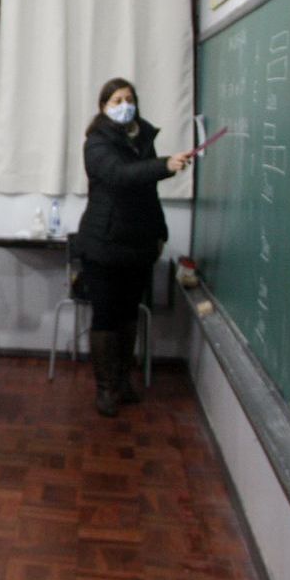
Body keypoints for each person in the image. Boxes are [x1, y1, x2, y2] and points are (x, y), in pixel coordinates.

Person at [77, 78, 191, 417]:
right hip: (104, 244)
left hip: (138, 244)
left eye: (129, 99)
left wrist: (160, 232)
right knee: (106, 316)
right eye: (117, 100)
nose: (124, 105)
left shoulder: (142, 139)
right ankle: (105, 389)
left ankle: (123, 381)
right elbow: (120, 175)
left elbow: (147, 192)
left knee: (129, 314)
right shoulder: (96, 143)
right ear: (104, 107)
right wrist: (164, 165)